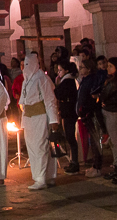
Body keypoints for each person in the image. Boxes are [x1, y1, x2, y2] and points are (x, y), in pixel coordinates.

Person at [18, 53, 60, 190]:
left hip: (41, 117)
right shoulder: (26, 80)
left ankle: (42, 178)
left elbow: (49, 100)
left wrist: (53, 120)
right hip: (29, 119)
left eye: (28, 64)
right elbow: (24, 103)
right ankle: (45, 176)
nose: (25, 67)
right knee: (34, 148)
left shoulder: (42, 78)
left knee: (41, 147)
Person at [77, 51, 106, 178]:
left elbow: (90, 97)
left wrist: (86, 110)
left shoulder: (91, 80)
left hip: (91, 113)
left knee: (95, 141)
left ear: (88, 69)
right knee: (91, 140)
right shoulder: (85, 80)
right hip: (85, 113)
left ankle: (98, 166)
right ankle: (95, 165)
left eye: (82, 67)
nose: (80, 70)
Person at [53, 59, 80, 174]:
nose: (58, 73)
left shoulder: (67, 81)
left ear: (67, 70)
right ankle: (73, 161)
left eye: (60, 70)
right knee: (69, 136)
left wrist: (57, 86)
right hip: (67, 111)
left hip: (69, 112)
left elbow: (59, 94)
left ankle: (74, 162)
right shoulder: (66, 80)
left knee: (70, 137)